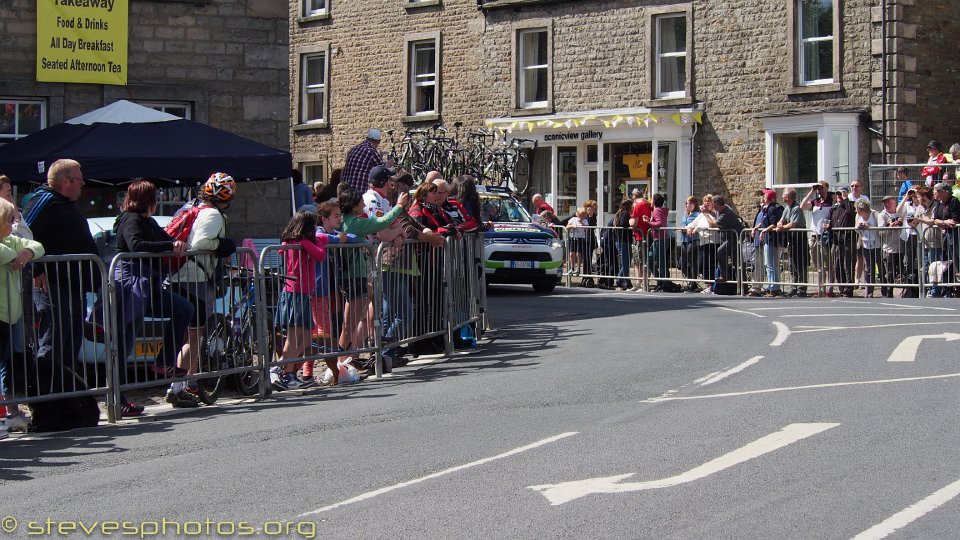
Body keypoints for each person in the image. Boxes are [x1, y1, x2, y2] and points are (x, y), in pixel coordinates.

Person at [112, 180, 195, 416]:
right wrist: (170, 244)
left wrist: (177, 241)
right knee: (124, 342)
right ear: (149, 200)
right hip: (132, 286)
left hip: (148, 285)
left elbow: (165, 237)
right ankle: (117, 399)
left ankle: (164, 361)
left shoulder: (147, 221)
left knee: (183, 309)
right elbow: (136, 244)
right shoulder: (131, 219)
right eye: (155, 197)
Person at [22, 159, 100, 394]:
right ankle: (45, 399)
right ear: (66, 181)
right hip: (54, 284)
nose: (83, 184)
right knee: (53, 339)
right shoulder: (44, 199)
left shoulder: (65, 203)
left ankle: (65, 398)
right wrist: (37, 269)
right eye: (80, 179)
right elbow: (23, 234)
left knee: (69, 341)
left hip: (73, 283)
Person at [166, 172, 238, 407]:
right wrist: (223, 245)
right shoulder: (214, 215)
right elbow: (201, 244)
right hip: (194, 277)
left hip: (181, 275)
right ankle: (180, 386)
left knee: (189, 334)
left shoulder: (192, 208)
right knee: (194, 336)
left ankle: (184, 384)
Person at [339, 187, 410, 370]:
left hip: (358, 274)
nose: (364, 204)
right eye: (361, 203)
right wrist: (400, 206)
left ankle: (352, 356)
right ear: (354, 206)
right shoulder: (354, 222)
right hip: (354, 276)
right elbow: (381, 222)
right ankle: (340, 362)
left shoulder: (351, 221)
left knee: (357, 318)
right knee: (350, 323)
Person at [270, 210, 327, 391]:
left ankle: (280, 366)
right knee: (293, 338)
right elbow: (320, 255)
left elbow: (320, 243)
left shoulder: (293, 241)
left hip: (300, 292)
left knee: (307, 335)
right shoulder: (300, 242)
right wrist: (309, 242)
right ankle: (286, 373)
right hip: (295, 292)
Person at [0, 197, 43, 432]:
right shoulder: (6, 243)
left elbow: (38, 246)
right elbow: (5, 254)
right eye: (9, 220)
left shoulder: (9, 239)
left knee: (12, 363)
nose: (13, 224)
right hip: (2, 314)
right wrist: (17, 253)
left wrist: (26, 251)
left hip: (11, 315)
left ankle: (12, 413)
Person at [749, 189, 784, 297]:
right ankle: (770, 286)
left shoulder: (772, 208)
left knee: (771, 264)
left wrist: (764, 231)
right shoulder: (764, 209)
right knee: (767, 264)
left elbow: (773, 223)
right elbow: (763, 222)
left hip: (771, 239)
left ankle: (774, 288)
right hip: (765, 240)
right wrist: (756, 228)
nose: (763, 197)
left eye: (765, 196)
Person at [707, 196, 744, 289]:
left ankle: (724, 275)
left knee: (721, 251)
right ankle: (743, 286)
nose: (713, 206)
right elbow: (716, 219)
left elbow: (713, 224)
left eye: (713, 204)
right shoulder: (721, 210)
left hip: (734, 238)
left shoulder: (726, 213)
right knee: (737, 262)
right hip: (730, 238)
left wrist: (705, 213)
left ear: (718, 204)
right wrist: (710, 211)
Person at [930, 182, 960, 296]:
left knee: (956, 260)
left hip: (955, 235)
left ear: (944, 192)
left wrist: (945, 223)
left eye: (937, 191)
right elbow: (935, 220)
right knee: (946, 260)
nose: (935, 193)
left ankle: (957, 288)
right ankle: (948, 288)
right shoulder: (939, 203)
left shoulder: (953, 201)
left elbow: (954, 221)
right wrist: (944, 222)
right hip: (945, 236)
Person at [825, 187, 856, 297]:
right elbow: (828, 220)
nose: (839, 196)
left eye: (841, 194)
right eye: (837, 194)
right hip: (836, 240)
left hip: (848, 240)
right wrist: (827, 226)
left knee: (848, 266)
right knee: (837, 265)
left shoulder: (851, 204)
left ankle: (849, 289)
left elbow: (851, 212)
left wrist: (845, 199)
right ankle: (842, 288)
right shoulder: (833, 208)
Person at [342, 129, 389, 194]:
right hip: (359, 191)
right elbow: (382, 171)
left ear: (367, 138)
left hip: (345, 191)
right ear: (378, 142)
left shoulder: (353, 149)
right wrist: (389, 164)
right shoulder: (371, 151)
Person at [877, 195, 904, 298]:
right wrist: (890, 227)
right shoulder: (882, 215)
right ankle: (888, 293)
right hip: (889, 248)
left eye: (889, 202)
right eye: (885, 202)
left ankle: (904, 293)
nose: (886, 204)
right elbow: (881, 232)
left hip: (901, 247)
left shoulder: (900, 214)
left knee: (902, 271)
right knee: (889, 272)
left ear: (894, 202)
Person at [854, 200, 881, 297]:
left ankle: (885, 291)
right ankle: (869, 292)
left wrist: (870, 226)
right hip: (865, 244)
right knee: (868, 269)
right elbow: (856, 229)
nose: (857, 212)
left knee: (881, 268)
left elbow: (881, 228)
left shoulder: (875, 214)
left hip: (877, 245)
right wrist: (859, 227)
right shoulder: (858, 216)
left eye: (859, 210)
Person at [629, 190, 652, 291]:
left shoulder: (638, 206)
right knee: (644, 260)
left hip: (640, 235)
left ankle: (640, 283)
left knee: (638, 261)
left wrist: (630, 221)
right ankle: (643, 282)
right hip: (648, 235)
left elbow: (634, 223)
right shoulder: (648, 204)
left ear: (634, 197)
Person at [646, 194, 670, 289]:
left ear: (654, 202)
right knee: (650, 259)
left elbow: (660, 223)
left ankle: (665, 282)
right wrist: (649, 220)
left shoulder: (657, 210)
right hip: (658, 238)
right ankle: (661, 279)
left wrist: (648, 223)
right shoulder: (658, 211)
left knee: (660, 261)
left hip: (660, 239)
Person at [613, 199, 633, 290]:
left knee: (626, 262)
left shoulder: (621, 213)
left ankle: (623, 281)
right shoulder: (625, 214)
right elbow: (623, 224)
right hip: (623, 241)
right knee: (625, 262)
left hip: (622, 241)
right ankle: (623, 282)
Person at [566, 208, 587, 275]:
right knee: (571, 254)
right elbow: (567, 227)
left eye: (583, 215)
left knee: (578, 254)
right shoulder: (573, 219)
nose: (581, 217)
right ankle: (572, 268)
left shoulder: (585, 220)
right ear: (577, 214)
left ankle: (578, 269)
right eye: (580, 215)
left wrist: (582, 223)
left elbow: (587, 229)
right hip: (573, 237)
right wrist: (572, 226)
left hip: (581, 238)